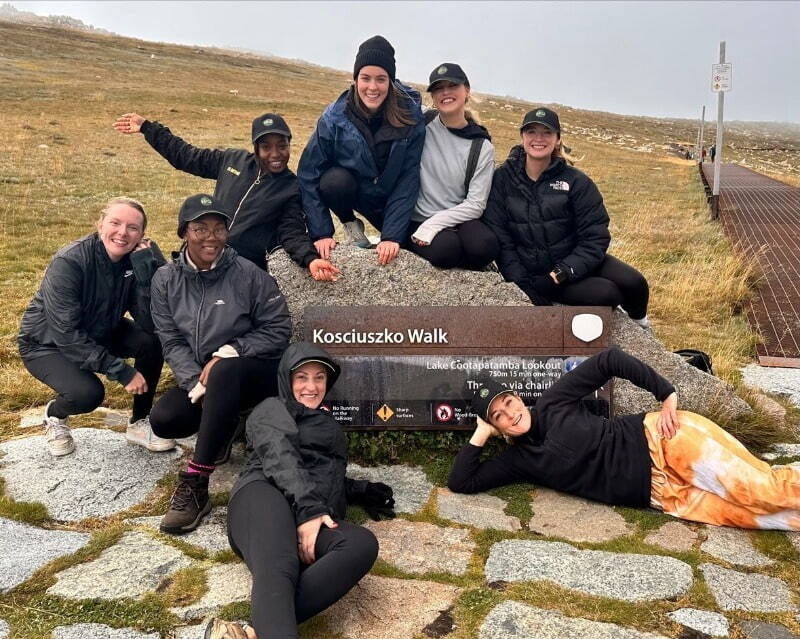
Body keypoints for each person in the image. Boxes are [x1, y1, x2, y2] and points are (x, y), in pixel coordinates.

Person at [449, 347, 800, 531]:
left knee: (762, 492)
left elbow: (609, 360)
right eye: (498, 416)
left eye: (508, 403)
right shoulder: (520, 461)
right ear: (495, 425)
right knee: (762, 517)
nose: (510, 414)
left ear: (516, 396)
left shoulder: (553, 401)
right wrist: (481, 434)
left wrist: (667, 394)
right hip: (663, 497)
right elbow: (462, 481)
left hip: (664, 442)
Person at [204, 342, 385, 639]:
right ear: (286, 380)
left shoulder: (328, 424)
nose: (311, 386)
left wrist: (357, 489)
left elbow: (316, 467)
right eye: (302, 377)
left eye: (319, 377)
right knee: (281, 566)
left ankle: (251, 631)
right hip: (263, 495)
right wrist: (310, 510)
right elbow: (280, 455)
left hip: (308, 511)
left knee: (360, 544)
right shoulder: (270, 409)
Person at [149, 193, 292, 534]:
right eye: (201, 228)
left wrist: (229, 351)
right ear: (185, 232)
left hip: (252, 373)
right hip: (202, 379)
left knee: (226, 369)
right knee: (165, 420)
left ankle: (196, 480)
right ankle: (225, 424)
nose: (211, 237)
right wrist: (195, 381)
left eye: (218, 229)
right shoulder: (164, 280)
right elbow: (170, 340)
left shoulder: (247, 274)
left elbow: (279, 328)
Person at [18, 197, 174, 457]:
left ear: (142, 235)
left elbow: (149, 323)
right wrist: (120, 371)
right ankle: (55, 416)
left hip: (102, 328)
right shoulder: (70, 262)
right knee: (88, 394)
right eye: (115, 223)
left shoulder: (135, 260)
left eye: (132, 228)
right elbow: (66, 333)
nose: (123, 232)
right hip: (47, 343)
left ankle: (139, 422)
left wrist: (148, 278)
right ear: (100, 224)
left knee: (152, 342)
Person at [112, 111, 339, 281]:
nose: (276, 154)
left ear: (289, 145)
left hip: (240, 269)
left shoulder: (291, 188)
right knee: (167, 286)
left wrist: (311, 259)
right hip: (202, 251)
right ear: (255, 148)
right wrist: (149, 129)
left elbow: (292, 232)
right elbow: (186, 156)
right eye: (266, 147)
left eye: (282, 145)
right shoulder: (232, 160)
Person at [483, 107, 651, 328]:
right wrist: (523, 283)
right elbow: (500, 235)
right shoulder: (502, 179)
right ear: (522, 136)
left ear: (558, 139)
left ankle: (643, 329)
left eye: (547, 133)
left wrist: (563, 271)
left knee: (635, 283)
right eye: (531, 131)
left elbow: (595, 236)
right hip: (534, 270)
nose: (538, 139)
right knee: (607, 294)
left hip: (570, 261)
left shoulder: (576, 181)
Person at [297, 35, 425, 266]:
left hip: (394, 197)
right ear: (356, 79)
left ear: (391, 81)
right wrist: (322, 233)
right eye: (365, 78)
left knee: (415, 247)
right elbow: (308, 174)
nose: (372, 87)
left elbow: (409, 176)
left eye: (381, 79)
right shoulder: (334, 118)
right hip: (360, 195)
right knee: (333, 181)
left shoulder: (410, 116)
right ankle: (351, 226)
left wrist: (391, 236)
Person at [408, 63, 499, 270]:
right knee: (446, 251)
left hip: (457, 219)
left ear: (466, 90)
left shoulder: (481, 146)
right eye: (438, 88)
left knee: (485, 246)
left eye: (453, 86)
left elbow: (475, 204)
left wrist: (436, 224)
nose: (446, 92)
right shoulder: (422, 121)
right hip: (418, 219)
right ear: (432, 96)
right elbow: (394, 96)